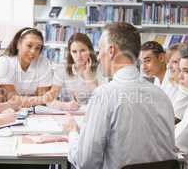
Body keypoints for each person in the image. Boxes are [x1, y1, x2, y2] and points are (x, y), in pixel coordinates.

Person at [64, 22, 176, 169]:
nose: (97, 57)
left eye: (100, 50)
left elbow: (86, 163)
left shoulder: (104, 95)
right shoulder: (161, 95)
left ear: (111, 51)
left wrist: (72, 133)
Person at [0, 27, 53, 107]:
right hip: (10, 111)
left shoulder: (44, 62)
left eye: (37, 48)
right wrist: (37, 99)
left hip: (37, 112)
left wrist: (22, 99)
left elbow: (44, 100)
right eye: (29, 46)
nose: (33, 51)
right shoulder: (3, 62)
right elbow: (12, 99)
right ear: (18, 44)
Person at [47, 33, 100, 111]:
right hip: (71, 114)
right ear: (70, 53)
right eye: (74, 52)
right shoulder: (62, 68)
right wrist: (65, 106)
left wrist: (89, 79)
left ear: (90, 50)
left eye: (83, 50)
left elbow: (104, 99)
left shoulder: (100, 68)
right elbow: (49, 100)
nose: (79, 56)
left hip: (94, 113)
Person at [166, 43, 188, 122]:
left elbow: (173, 120)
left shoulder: (186, 89)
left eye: (175, 62)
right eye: (169, 61)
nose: (169, 66)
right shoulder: (172, 83)